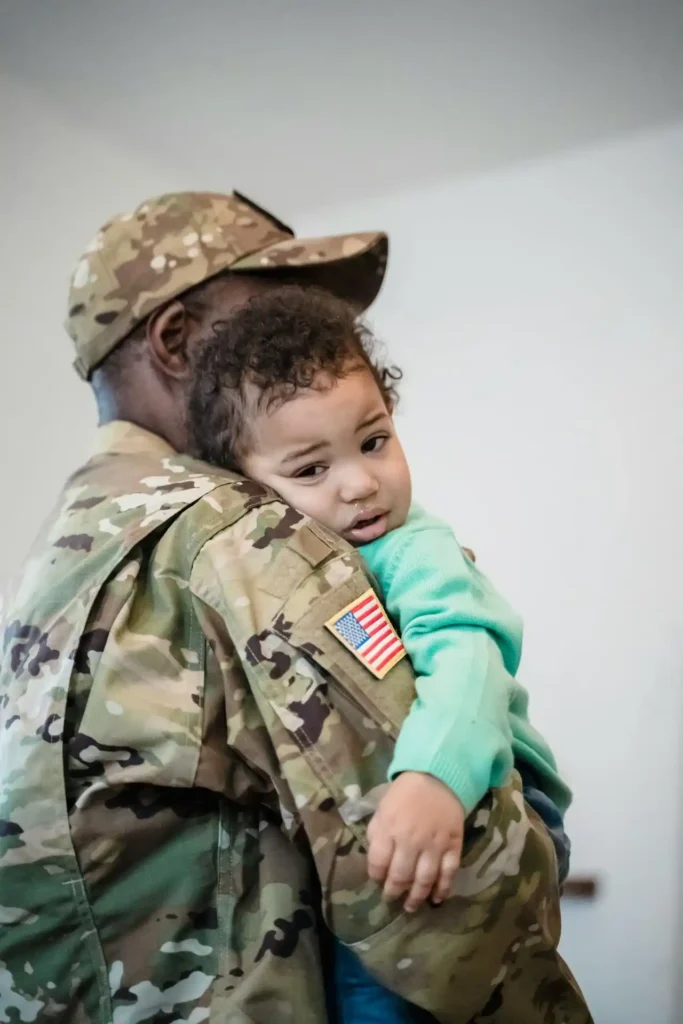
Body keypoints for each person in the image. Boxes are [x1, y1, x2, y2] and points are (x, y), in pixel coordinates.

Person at [0, 190, 592, 1024]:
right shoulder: (237, 534)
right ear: (176, 342)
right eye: (265, 319)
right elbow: (440, 896)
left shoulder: (61, 555)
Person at [186, 286, 573, 1023]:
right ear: (244, 490)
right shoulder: (277, 568)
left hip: (492, 791)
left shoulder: (411, 546)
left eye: (373, 441)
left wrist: (437, 779)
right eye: (310, 470)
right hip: (405, 806)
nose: (361, 483)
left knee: (381, 991)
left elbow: (466, 656)